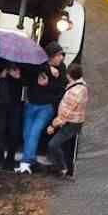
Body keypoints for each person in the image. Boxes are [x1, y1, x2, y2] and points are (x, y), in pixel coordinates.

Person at [15, 42, 67, 175]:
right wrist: (48, 68)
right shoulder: (40, 64)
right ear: (50, 57)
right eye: (58, 55)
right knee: (27, 134)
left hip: (46, 107)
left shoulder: (61, 68)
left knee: (34, 133)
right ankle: (31, 160)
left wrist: (47, 84)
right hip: (31, 105)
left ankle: (25, 163)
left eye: (61, 55)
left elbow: (60, 89)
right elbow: (28, 67)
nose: (61, 57)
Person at [46, 62, 88, 178]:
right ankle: (66, 169)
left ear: (69, 75)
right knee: (66, 146)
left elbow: (65, 114)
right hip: (75, 122)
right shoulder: (81, 86)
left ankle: (62, 168)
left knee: (53, 144)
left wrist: (52, 126)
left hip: (71, 123)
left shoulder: (75, 92)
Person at [0, 64, 23, 170]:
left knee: (14, 132)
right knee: (0, 131)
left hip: (15, 104)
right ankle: (0, 159)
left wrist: (19, 77)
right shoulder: (0, 61)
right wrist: (3, 75)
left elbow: (27, 80)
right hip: (1, 104)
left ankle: (10, 159)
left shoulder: (23, 62)